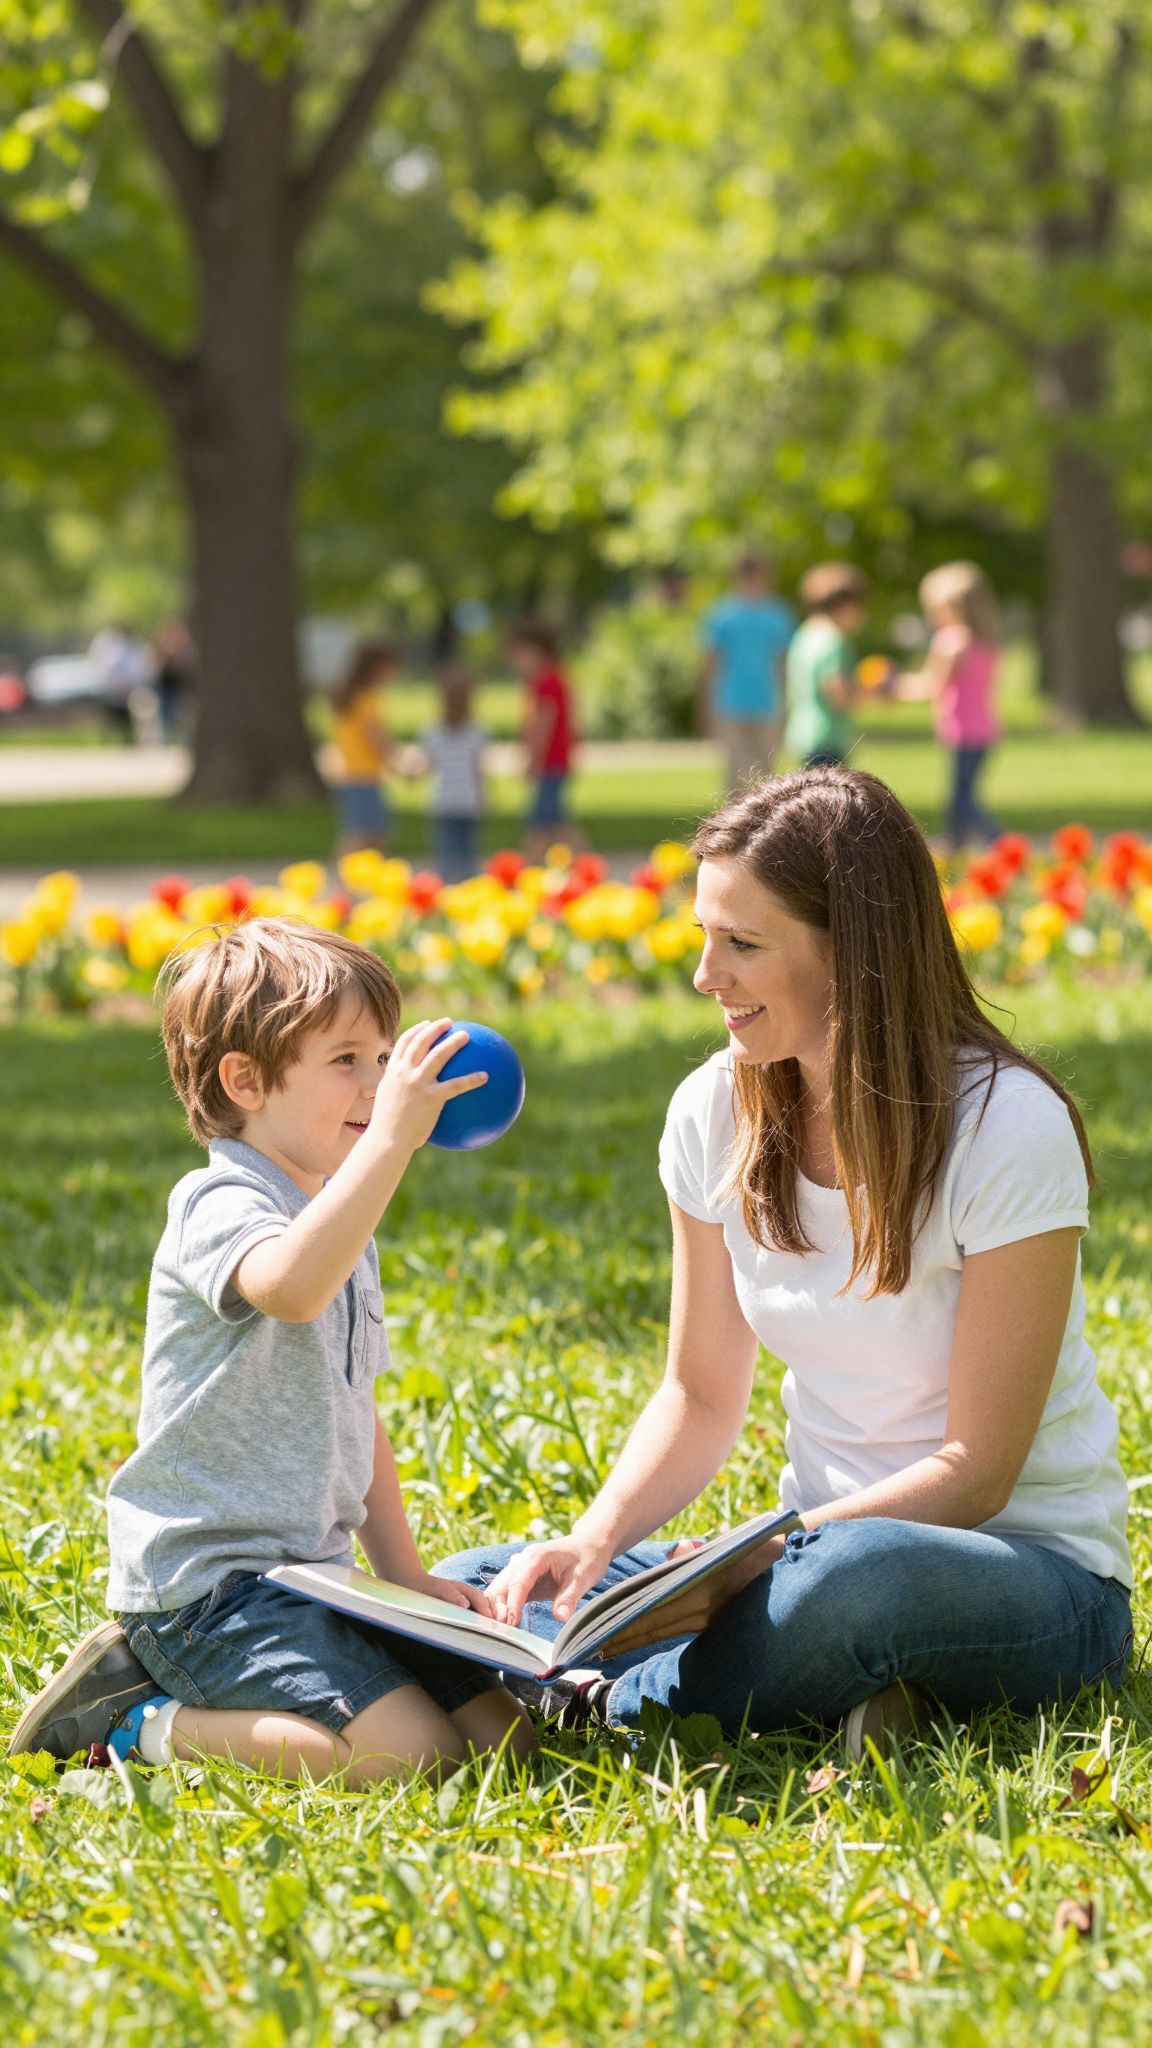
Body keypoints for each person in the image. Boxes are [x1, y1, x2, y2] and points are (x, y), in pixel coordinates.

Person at [435, 768, 1132, 1759]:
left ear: (856, 953)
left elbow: (978, 1473)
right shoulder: (713, 1109)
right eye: (705, 936)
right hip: (802, 1551)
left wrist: (767, 1553)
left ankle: (593, 1705)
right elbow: (698, 1390)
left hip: (1023, 1575)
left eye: (744, 944)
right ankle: (856, 1691)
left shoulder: (1006, 1126)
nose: (704, 974)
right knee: (480, 1575)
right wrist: (593, 1544)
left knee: (855, 1580)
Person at [7, 922, 531, 1785]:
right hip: (210, 1590)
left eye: (383, 1058)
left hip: (316, 1579)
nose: (378, 1085)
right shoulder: (219, 1199)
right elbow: (287, 1286)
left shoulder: (337, 1215)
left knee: (505, 1746)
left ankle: (277, 1685)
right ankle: (133, 1721)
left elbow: (353, 1404)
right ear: (245, 1080)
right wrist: (394, 1139)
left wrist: (403, 1578)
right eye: (347, 1061)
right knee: (415, 1761)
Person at [898, 563, 1002, 855]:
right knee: (961, 794)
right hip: (984, 730)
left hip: (962, 730)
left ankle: (1000, 841)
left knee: (962, 799)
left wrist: (891, 686)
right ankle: (955, 846)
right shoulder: (986, 641)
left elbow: (930, 685)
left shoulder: (951, 642)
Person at [699, 551, 796, 793]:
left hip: (767, 703)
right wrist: (705, 705)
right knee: (734, 774)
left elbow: (782, 664)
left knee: (766, 774)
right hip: (731, 703)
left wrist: (787, 702)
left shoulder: (778, 616)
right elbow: (712, 663)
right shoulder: (722, 615)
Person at [783, 564, 870, 768]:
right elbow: (837, 692)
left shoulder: (804, 634)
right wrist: (873, 695)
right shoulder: (834, 640)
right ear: (846, 605)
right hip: (827, 738)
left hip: (802, 733)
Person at [508, 619, 576, 861]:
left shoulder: (547, 682)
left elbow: (544, 724)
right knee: (559, 823)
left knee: (538, 825)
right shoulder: (552, 679)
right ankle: (587, 863)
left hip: (550, 763)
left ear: (535, 651)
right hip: (554, 762)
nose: (516, 662)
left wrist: (533, 760)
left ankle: (531, 867)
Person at [415, 665, 488, 882]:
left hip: (444, 801)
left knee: (446, 856)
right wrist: (484, 797)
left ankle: (446, 893)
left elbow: (428, 766)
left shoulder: (432, 732)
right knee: (469, 855)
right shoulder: (477, 732)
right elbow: (477, 771)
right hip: (468, 801)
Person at [330, 641, 399, 855]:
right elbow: (376, 736)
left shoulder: (350, 698)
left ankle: (359, 876)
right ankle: (348, 877)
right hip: (365, 774)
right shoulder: (368, 700)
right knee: (366, 834)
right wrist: (394, 761)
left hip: (352, 772)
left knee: (364, 831)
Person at [152, 619, 196, 744]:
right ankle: (166, 741)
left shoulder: (185, 649)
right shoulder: (161, 648)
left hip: (181, 690)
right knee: (166, 714)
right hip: (165, 688)